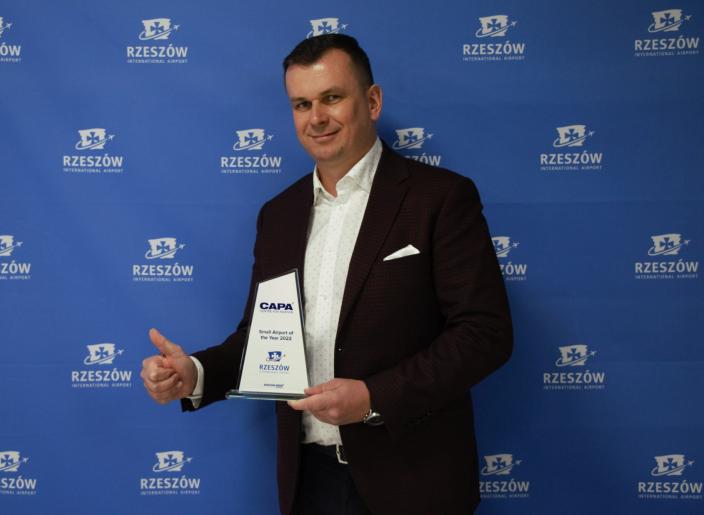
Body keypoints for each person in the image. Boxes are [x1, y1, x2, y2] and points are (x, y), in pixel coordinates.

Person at [141, 34, 512, 515]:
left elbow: (485, 333)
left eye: (332, 98)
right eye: (301, 104)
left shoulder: (439, 199)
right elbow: (262, 339)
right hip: (308, 482)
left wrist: (374, 397)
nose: (316, 117)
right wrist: (195, 374)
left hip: (413, 482)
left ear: (372, 101)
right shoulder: (278, 215)